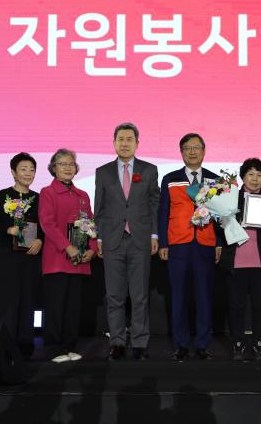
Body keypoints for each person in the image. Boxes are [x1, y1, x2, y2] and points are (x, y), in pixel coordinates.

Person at [94, 123, 160, 361]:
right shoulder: (103, 172)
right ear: (114, 143)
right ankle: (117, 342)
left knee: (140, 295)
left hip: (140, 240)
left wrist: (154, 235)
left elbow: (154, 205)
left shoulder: (149, 170)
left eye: (129, 139)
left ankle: (140, 343)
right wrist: (99, 237)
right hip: (112, 240)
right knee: (114, 296)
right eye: (120, 139)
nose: (124, 143)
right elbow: (99, 208)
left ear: (137, 143)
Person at [158, 133, 222, 361]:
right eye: (187, 148)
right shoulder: (170, 179)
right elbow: (163, 212)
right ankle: (181, 345)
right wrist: (163, 242)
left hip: (205, 243)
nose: (192, 152)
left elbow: (221, 215)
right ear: (181, 152)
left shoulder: (215, 180)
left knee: (204, 296)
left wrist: (219, 242)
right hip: (178, 244)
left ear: (204, 151)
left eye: (196, 147)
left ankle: (202, 345)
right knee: (178, 296)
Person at [39, 149, 98, 363]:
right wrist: (67, 247)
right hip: (57, 260)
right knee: (55, 307)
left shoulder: (83, 195)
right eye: (62, 164)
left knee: (73, 308)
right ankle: (54, 349)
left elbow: (90, 225)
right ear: (53, 168)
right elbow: (47, 224)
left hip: (79, 261)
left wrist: (92, 248)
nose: (67, 167)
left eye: (71, 164)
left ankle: (70, 346)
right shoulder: (47, 192)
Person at [219, 158, 261, 361]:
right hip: (236, 261)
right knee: (236, 306)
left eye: (259, 175)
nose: (255, 178)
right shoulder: (229, 199)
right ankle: (238, 344)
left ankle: (259, 344)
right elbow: (219, 227)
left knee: (260, 306)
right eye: (250, 174)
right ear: (243, 177)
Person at [0, 152, 43, 360]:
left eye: (32, 170)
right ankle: (5, 344)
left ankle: (26, 343)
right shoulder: (3, 195)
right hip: (7, 256)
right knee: (8, 301)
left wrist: (40, 240)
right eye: (23, 169)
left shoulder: (39, 198)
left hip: (31, 256)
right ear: (13, 172)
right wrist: (8, 229)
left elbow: (45, 225)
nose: (28, 173)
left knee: (29, 299)